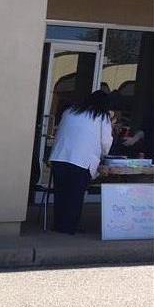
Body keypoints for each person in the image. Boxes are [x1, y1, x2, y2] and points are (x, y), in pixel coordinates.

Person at [49, 90, 113, 234]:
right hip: (81, 160)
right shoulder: (102, 116)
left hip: (60, 157)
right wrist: (104, 155)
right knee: (75, 195)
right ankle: (69, 227)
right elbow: (105, 142)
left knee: (61, 193)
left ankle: (58, 225)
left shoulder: (70, 111)